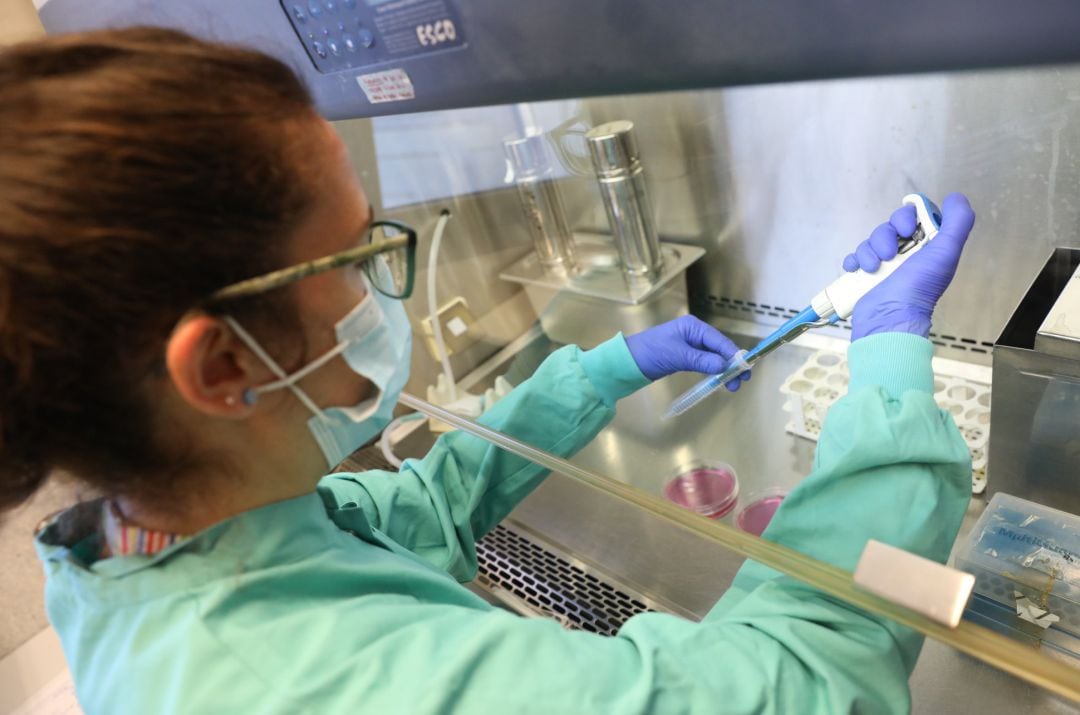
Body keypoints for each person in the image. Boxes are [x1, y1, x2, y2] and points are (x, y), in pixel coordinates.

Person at [0, 28, 975, 715]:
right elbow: (801, 686)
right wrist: (888, 367)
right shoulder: (329, 684)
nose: (383, 283)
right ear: (222, 364)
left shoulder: (136, 546)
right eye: (351, 256)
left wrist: (600, 371)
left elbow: (410, 515)